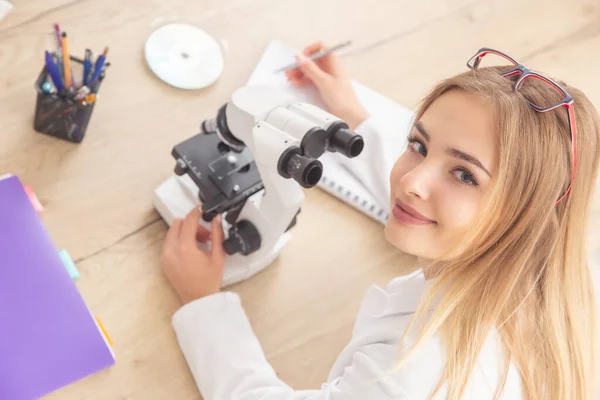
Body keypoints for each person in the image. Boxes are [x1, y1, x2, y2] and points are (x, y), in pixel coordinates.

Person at [159, 43, 600, 399]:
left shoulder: (414, 375)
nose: (411, 181)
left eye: (465, 174)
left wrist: (203, 306)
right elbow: (430, 182)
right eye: (419, 144)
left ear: (525, 210)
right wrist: (351, 115)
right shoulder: (565, 260)